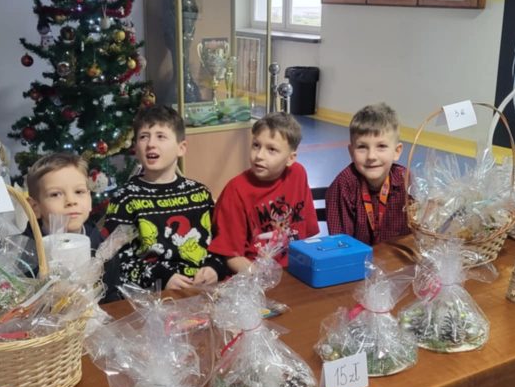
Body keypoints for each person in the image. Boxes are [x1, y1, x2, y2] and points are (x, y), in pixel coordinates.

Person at [102, 105, 228, 292]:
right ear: (136, 148)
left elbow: (221, 243)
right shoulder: (125, 199)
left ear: (181, 148)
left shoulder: (200, 193)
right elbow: (116, 262)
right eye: (144, 137)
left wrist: (215, 267)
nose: (151, 144)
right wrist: (159, 277)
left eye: (161, 136)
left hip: (204, 290)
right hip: (153, 296)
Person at [210, 112, 319, 273]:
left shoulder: (298, 174)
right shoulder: (235, 190)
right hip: (253, 276)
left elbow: (306, 236)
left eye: (271, 149)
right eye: (256, 145)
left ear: (290, 158)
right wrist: (262, 277)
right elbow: (231, 256)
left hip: (294, 270)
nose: (259, 156)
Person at [325, 103, 410, 245]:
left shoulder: (407, 182)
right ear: (351, 152)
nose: (371, 156)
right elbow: (341, 245)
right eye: (362, 147)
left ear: (397, 151)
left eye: (381, 146)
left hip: (396, 258)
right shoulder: (343, 186)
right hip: (357, 258)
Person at [24, 152, 102, 251]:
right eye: (55, 194)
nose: (71, 201)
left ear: (89, 200)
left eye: (79, 192)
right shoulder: (20, 253)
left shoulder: (102, 245)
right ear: (34, 207)